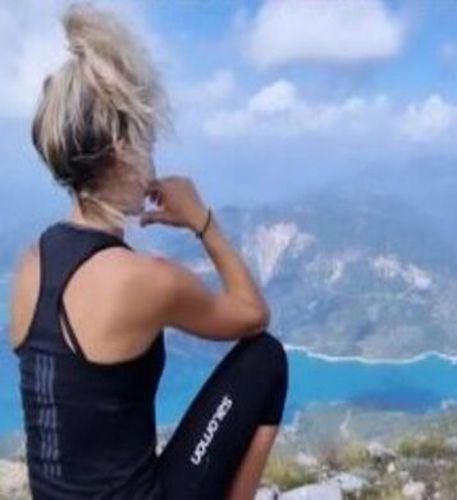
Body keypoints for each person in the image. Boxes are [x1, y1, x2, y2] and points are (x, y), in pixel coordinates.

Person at [7, 4, 288, 499]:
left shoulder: (31, 263)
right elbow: (252, 314)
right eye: (148, 137)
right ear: (123, 150)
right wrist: (202, 221)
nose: (153, 152)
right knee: (266, 360)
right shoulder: (142, 279)